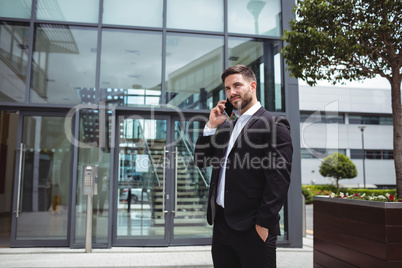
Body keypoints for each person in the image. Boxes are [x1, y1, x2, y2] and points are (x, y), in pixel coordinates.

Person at [194, 65, 293, 268]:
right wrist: (211, 126)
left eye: (237, 85)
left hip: (253, 228)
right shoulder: (227, 126)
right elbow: (201, 160)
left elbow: (278, 181)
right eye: (227, 88)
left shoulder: (274, 123)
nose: (232, 92)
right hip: (222, 226)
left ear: (252, 86)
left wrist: (262, 225)